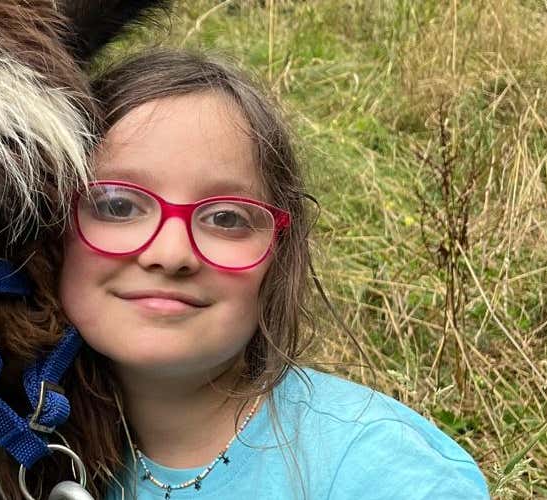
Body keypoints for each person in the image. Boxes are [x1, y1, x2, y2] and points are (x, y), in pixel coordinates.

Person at [57, 49, 490, 499]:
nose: (171, 254)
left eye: (226, 218)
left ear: (279, 252)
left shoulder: (382, 468)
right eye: (117, 205)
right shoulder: (25, 457)